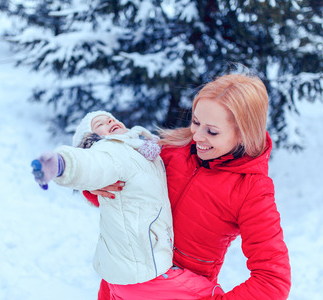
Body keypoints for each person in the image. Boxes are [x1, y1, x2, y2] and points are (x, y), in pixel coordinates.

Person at [87, 74, 292, 299]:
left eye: (212, 131)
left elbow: (273, 280)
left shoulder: (251, 189)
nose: (197, 135)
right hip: (123, 282)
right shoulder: (172, 151)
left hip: (177, 290)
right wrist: (97, 183)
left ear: (243, 134)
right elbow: (126, 199)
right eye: (195, 122)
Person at [32, 111, 223, 299]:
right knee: (211, 295)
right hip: (141, 272)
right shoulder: (112, 151)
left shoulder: (139, 151)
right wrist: (61, 164)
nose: (109, 121)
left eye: (111, 119)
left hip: (132, 270)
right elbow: (92, 164)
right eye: (100, 125)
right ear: (92, 141)